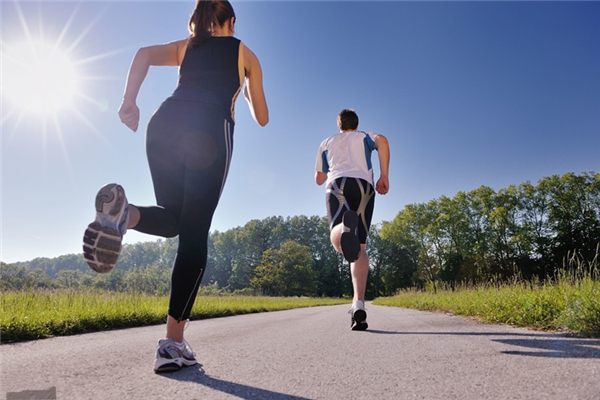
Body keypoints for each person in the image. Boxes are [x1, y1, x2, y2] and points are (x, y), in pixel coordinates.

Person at [82, 0, 268, 373]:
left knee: (173, 221)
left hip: (163, 122)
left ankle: (126, 215)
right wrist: (246, 84)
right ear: (231, 21)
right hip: (208, 131)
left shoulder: (187, 46)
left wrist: (128, 102)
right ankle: (173, 343)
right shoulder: (244, 52)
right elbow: (261, 117)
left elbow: (143, 54)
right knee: (195, 236)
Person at [314, 109, 389, 331]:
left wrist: (324, 168)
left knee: (337, 240)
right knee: (360, 248)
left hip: (338, 185)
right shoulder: (365, 136)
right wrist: (384, 175)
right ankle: (359, 305)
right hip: (364, 187)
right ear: (356, 125)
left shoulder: (327, 142)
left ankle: (343, 228)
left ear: (339, 125)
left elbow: (319, 179)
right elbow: (382, 140)